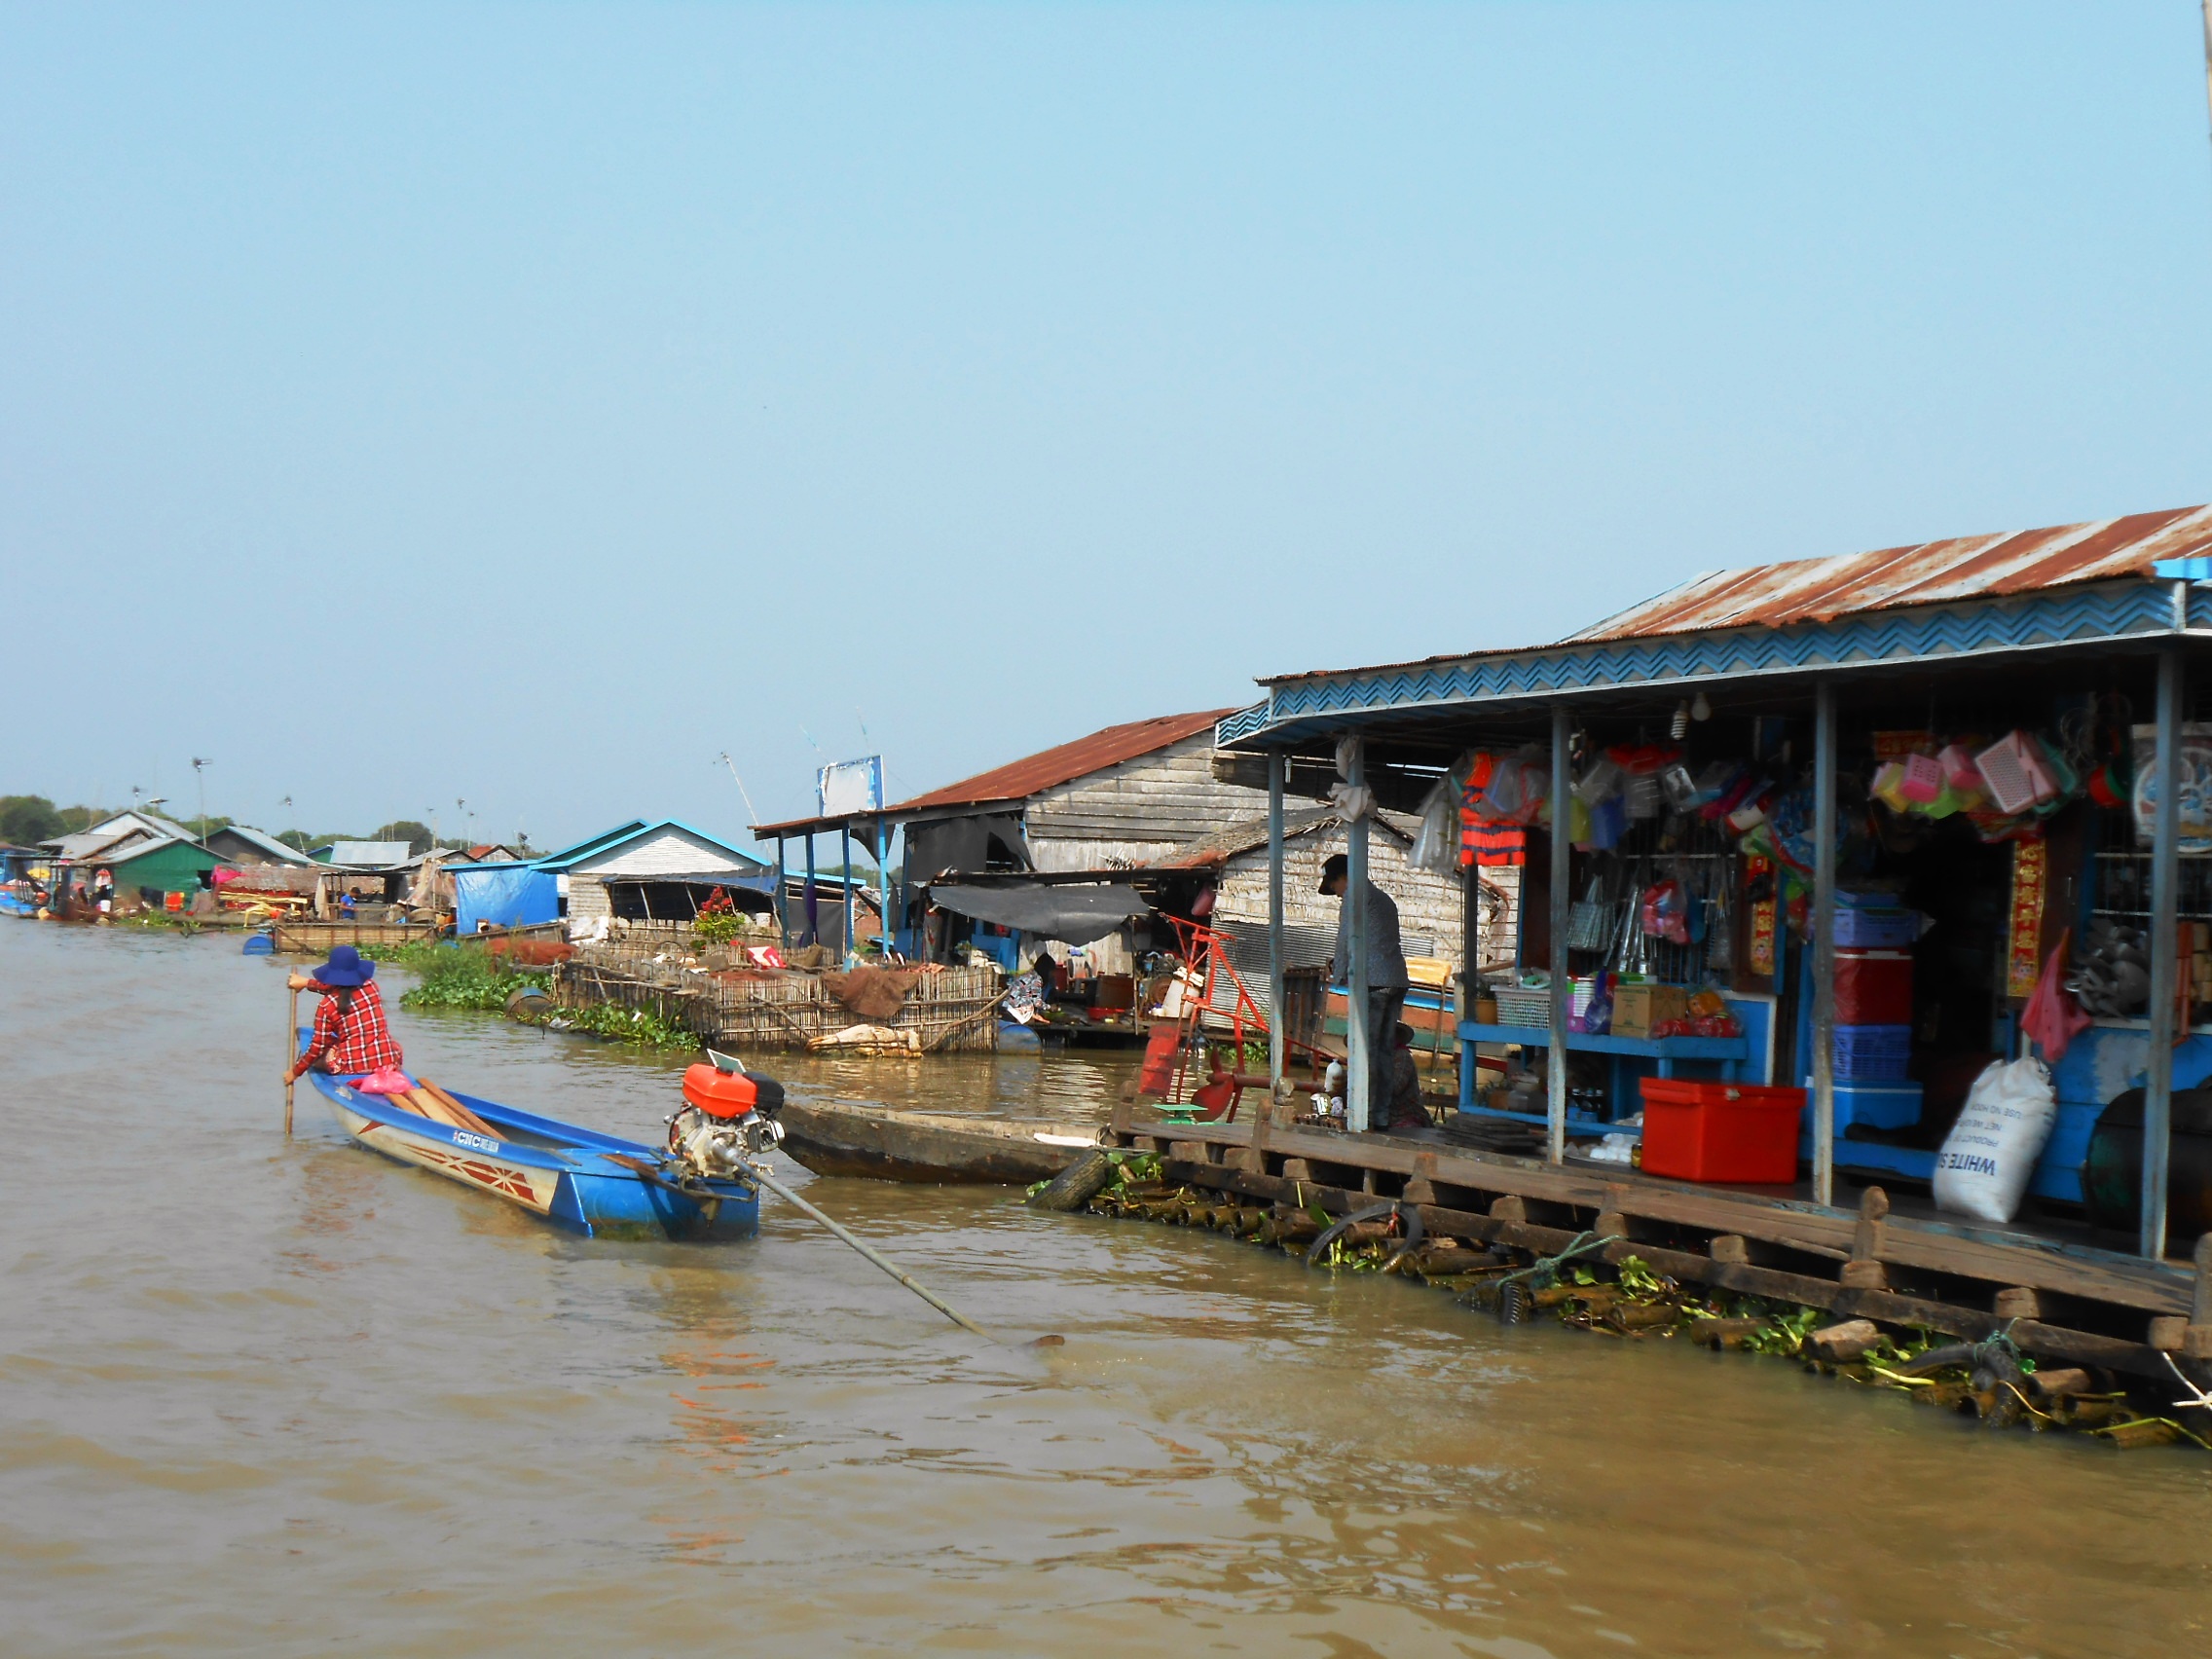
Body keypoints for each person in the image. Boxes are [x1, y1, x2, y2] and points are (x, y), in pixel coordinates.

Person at [1320, 851, 1411, 1131]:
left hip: (1373, 982)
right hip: (1396, 979)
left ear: (1343, 877)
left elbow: (1345, 938)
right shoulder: (1383, 899)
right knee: (1384, 1051)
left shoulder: (1354, 895)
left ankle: (1363, 1114)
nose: (1337, 894)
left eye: (1334, 886)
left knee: (1365, 1050)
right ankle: (1380, 1115)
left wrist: (1338, 974)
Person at [285, 944, 405, 1080]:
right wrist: (306, 983)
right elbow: (336, 988)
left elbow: (317, 1047)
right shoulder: (372, 987)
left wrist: (295, 1072)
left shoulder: (327, 1005)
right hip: (388, 1062)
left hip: (354, 1067)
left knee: (319, 1057)